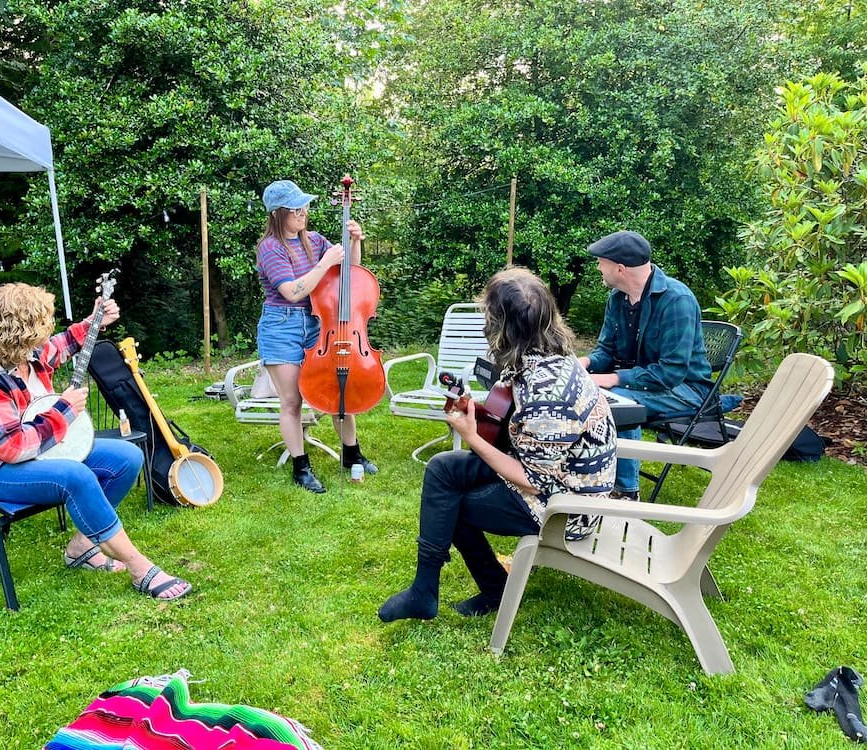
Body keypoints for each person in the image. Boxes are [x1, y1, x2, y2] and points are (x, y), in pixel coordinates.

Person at [378, 268, 616, 623]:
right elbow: (520, 426)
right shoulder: (543, 358)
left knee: (451, 505)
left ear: (501, 326)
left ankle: (491, 589)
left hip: (567, 508)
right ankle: (424, 590)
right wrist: (474, 410)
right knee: (444, 468)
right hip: (552, 476)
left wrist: (472, 437)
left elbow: (534, 481)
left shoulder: (547, 392)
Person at [0, 283, 192, 601]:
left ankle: (82, 546)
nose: (48, 329)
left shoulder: (27, 353)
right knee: (75, 477)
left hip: (39, 452)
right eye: (42, 323)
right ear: (19, 331)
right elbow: (11, 449)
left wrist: (94, 321)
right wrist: (64, 411)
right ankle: (139, 566)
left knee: (127, 458)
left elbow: (62, 345)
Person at [255, 179, 377, 494]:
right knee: (292, 400)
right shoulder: (270, 248)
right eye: (296, 208)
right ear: (278, 213)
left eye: (304, 206)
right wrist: (324, 263)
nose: (303, 212)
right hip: (282, 326)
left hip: (317, 324)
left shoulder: (313, 239)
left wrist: (355, 242)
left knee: (340, 386)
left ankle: (352, 453)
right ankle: (301, 466)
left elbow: (350, 271)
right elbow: (292, 292)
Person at [578, 230, 713, 501]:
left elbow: (672, 372)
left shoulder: (677, 300)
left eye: (600, 262)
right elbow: (606, 351)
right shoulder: (617, 298)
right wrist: (584, 363)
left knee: (619, 403)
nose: (597, 267)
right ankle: (586, 472)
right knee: (585, 392)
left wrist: (611, 379)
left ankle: (626, 491)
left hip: (686, 390)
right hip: (644, 383)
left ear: (619, 267)